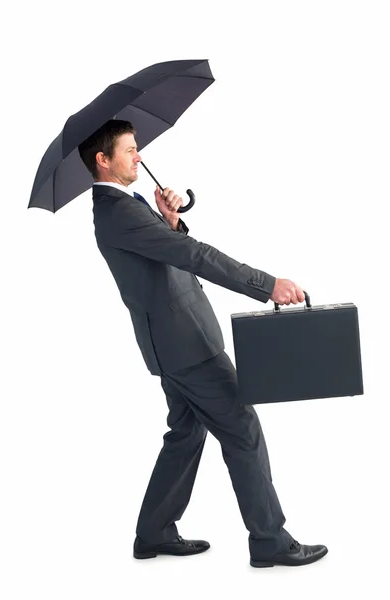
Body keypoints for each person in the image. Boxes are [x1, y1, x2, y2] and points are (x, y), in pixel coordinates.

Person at [78, 119, 328, 568]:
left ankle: (153, 532)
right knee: (242, 427)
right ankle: (270, 541)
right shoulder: (117, 211)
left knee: (187, 432)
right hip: (185, 345)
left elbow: (168, 255)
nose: (139, 156)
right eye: (130, 149)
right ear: (103, 159)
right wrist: (266, 284)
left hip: (175, 342)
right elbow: (195, 258)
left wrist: (172, 221)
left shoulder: (124, 207)